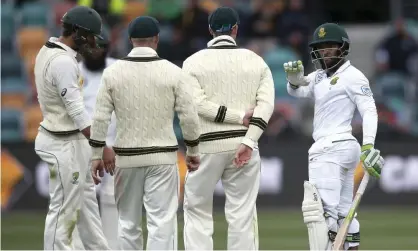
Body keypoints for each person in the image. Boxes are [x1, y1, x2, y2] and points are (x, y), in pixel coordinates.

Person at [89, 16, 201, 250]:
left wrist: (96, 154)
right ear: (157, 40)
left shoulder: (113, 72)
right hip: (162, 158)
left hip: (126, 160)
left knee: (128, 225)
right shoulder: (173, 72)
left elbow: (100, 117)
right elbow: (188, 116)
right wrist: (193, 150)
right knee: (162, 223)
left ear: (131, 40)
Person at [283, 22, 385, 250]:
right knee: (344, 214)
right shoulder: (319, 76)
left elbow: (369, 110)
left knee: (321, 214)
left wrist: (368, 145)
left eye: (330, 46)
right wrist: (293, 79)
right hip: (342, 149)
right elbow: (297, 91)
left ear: (343, 48)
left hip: (331, 149)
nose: (325, 52)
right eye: (321, 47)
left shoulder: (353, 76)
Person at [182, 7, 275, 250]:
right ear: (236, 29)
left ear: (210, 30)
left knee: (197, 213)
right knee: (242, 215)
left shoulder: (192, 62)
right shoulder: (256, 61)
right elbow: (266, 106)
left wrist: (235, 118)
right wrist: (249, 140)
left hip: (205, 148)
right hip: (243, 146)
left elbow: (197, 104)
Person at [33, 6, 110, 250]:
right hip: (62, 144)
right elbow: (77, 112)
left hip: (72, 142)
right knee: (64, 210)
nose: (91, 42)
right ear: (76, 32)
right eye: (89, 36)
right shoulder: (63, 62)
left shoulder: (49, 50)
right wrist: (102, 146)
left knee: (87, 211)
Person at [78, 28, 119, 250]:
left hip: (115, 146)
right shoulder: (73, 72)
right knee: (83, 200)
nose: (95, 52)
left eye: (99, 47)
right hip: (81, 147)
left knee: (113, 199)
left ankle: (112, 246)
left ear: (106, 48)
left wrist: (110, 145)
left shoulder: (117, 69)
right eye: (91, 48)